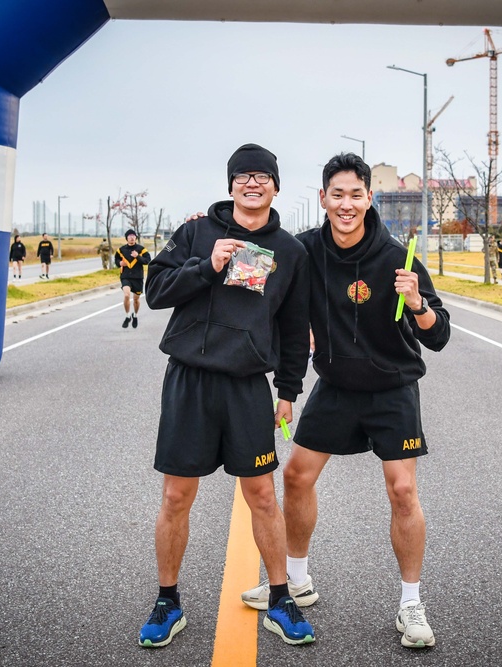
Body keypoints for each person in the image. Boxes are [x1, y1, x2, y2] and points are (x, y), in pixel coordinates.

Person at [241, 153, 451, 649]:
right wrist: (208, 233)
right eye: (337, 194)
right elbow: (251, 266)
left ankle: (411, 603)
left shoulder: (398, 257)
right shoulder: (305, 249)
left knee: (402, 491)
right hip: (336, 387)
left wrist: (418, 303)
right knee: (296, 475)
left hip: (392, 387)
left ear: (369, 198)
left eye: (356, 194)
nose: (346, 203)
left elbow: (439, 336)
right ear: (322, 199)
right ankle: (297, 578)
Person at [139, 143, 314, 648]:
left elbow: (293, 326)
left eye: (262, 176)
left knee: (262, 494)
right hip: (189, 381)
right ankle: (167, 601)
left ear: (275, 186)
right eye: (243, 176)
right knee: (176, 495)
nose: (252, 183)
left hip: (246, 388)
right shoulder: (197, 232)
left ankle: (281, 599)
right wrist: (206, 265)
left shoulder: (291, 251)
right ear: (231, 184)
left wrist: (287, 391)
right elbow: (155, 292)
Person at [115, 229, 151, 328]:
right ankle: (127, 316)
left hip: (138, 277)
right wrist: (119, 263)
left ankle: (135, 315)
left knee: (136, 299)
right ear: (126, 238)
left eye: (133, 236)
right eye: (129, 236)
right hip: (126, 276)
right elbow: (116, 259)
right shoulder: (121, 250)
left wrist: (137, 256)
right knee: (126, 295)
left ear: (136, 237)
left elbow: (147, 261)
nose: (132, 237)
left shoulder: (141, 249)